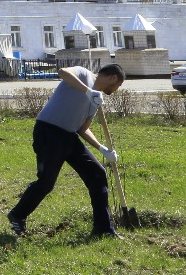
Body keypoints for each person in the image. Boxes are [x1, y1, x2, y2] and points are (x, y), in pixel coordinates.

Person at [8, 63, 125, 239]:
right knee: (46, 182)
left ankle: (103, 229)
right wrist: (87, 91)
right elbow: (63, 72)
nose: (115, 90)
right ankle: (17, 214)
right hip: (48, 131)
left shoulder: (97, 99)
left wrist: (102, 148)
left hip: (69, 136)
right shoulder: (83, 74)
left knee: (97, 174)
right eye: (118, 86)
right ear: (113, 78)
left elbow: (83, 128)